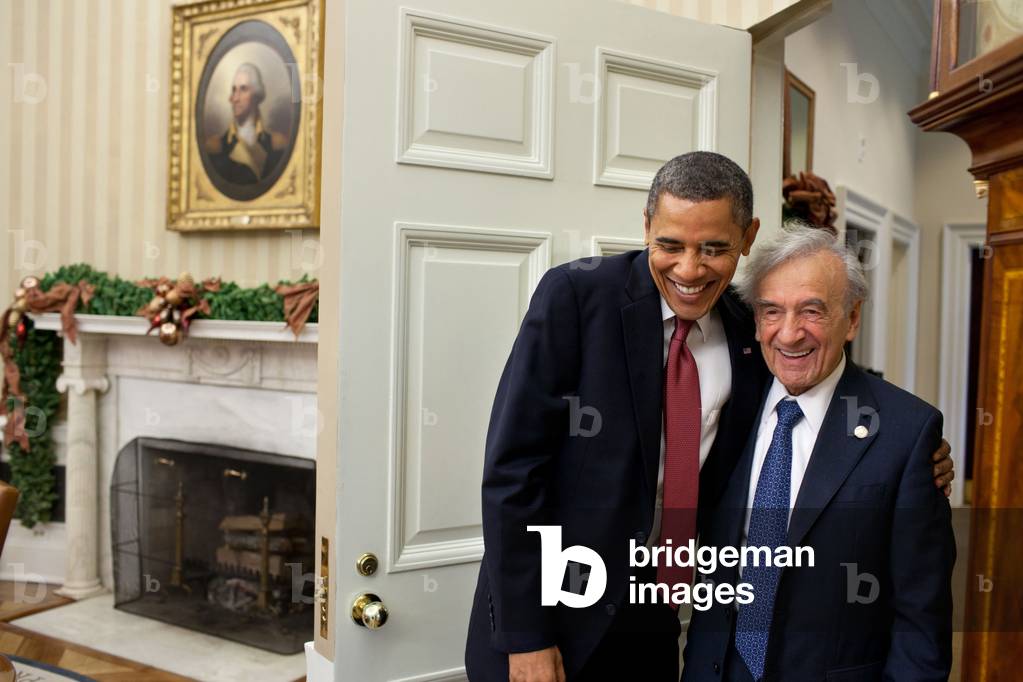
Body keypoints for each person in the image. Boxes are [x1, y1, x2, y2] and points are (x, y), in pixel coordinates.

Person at [464, 153, 954, 682]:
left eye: (714, 248)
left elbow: (813, 374)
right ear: (646, 225)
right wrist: (527, 637)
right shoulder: (577, 298)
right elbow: (513, 473)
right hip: (550, 616)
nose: (690, 269)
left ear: (748, 236)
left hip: (654, 624)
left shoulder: (749, 326)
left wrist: (905, 446)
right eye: (670, 244)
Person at [681, 223, 955, 682]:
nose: (789, 335)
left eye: (812, 311)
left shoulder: (907, 434)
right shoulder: (725, 406)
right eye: (772, 311)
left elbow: (921, 622)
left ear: (851, 318)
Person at [205, 63, 287, 186]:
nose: (235, 98)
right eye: (234, 90)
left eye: (243, 89)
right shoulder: (215, 148)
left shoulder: (277, 144)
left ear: (256, 95)